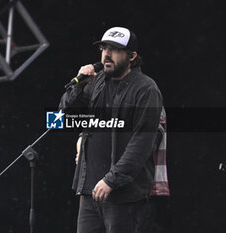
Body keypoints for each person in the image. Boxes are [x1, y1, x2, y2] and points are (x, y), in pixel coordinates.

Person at [60, 26, 163, 233]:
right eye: (103, 48)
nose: (106, 54)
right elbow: (65, 114)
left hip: (122, 195)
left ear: (132, 56)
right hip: (90, 192)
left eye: (114, 50)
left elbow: (142, 142)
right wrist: (79, 84)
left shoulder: (146, 89)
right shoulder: (98, 82)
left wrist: (111, 180)